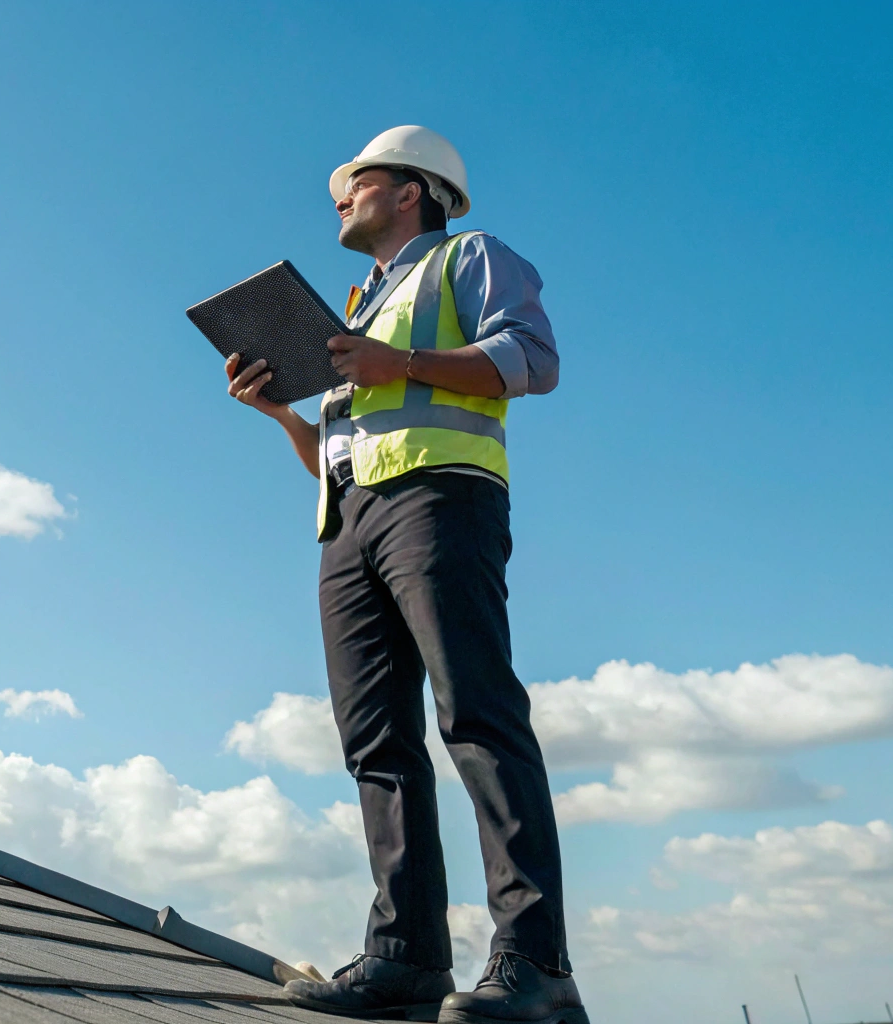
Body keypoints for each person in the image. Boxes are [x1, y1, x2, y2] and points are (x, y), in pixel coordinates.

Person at [223, 126, 587, 1024]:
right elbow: (337, 450)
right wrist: (280, 414)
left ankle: (537, 967)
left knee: (476, 715)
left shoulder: (469, 258)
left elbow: (535, 361)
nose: (341, 196)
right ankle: (406, 960)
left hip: (440, 500)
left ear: (413, 190)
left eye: (358, 182)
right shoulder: (356, 305)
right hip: (346, 520)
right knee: (375, 741)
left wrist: (403, 363)